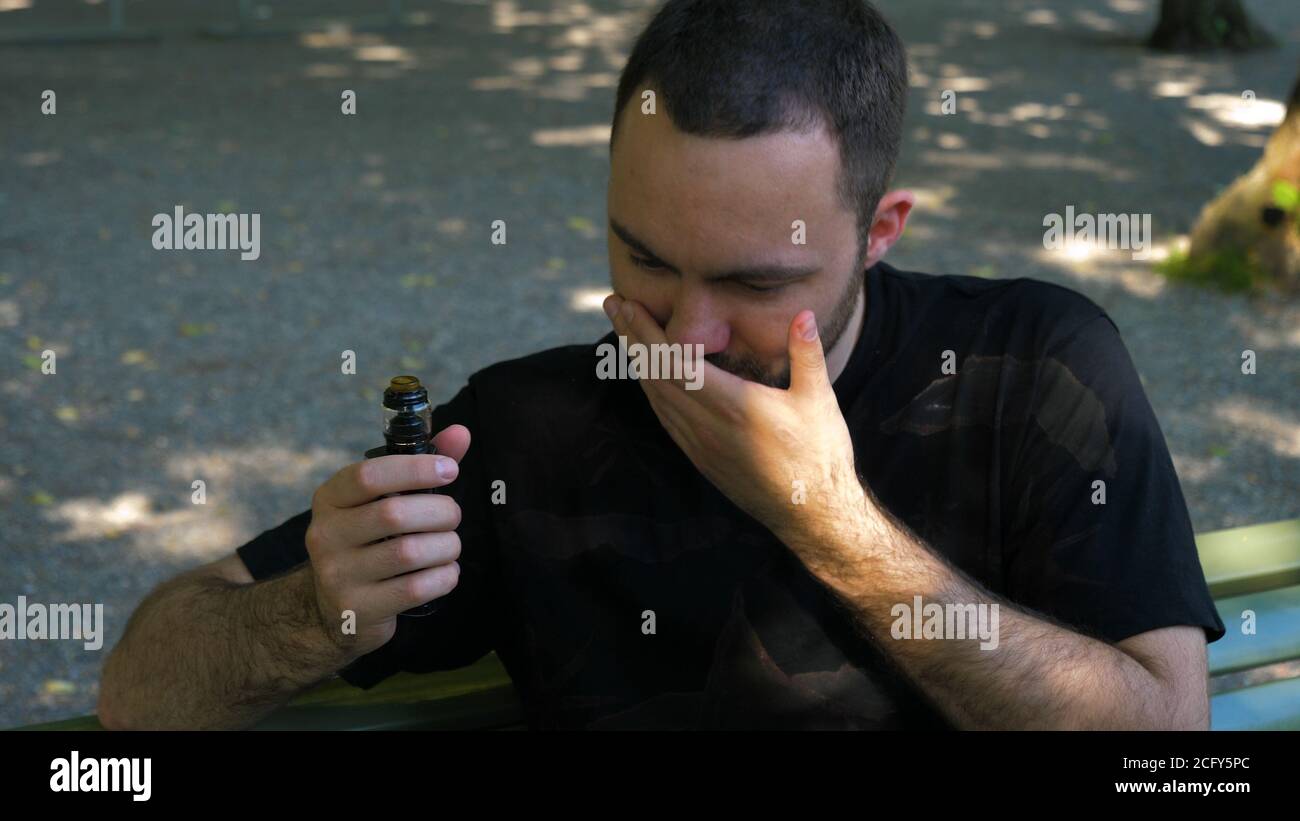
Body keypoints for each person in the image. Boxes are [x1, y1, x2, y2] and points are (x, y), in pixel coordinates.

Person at [98, 0, 1224, 730]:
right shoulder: (527, 428)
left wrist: (832, 524)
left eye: (751, 280)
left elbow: (1168, 740)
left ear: (880, 231)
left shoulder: (1031, 364)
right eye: (642, 257)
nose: (681, 333)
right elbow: (139, 691)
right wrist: (320, 612)